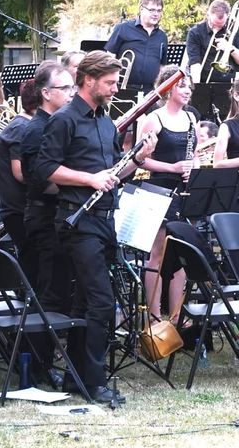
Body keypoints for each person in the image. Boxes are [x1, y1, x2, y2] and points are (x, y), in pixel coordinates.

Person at [38, 50, 157, 405]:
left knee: (84, 302)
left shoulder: (106, 122)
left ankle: (76, 377)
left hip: (105, 218)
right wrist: (89, 179)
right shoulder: (64, 120)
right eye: (109, 82)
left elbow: (112, 175)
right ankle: (93, 381)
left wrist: (136, 159)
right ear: (88, 81)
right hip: (76, 221)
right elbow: (45, 169)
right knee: (101, 302)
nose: (115, 87)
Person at [137, 65, 198, 318]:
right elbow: (139, 160)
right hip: (160, 190)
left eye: (189, 86)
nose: (188, 91)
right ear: (168, 88)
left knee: (183, 253)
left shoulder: (192, 118)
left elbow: (195, 154)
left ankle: (175, 316)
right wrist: (172, 167)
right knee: (157, 254)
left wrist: (191, 167)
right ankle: (154, 316)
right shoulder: (155, 118)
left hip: (184, 190)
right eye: (182, 86)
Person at [19, 62, 76, 327]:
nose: (71, 93)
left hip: (54, 217)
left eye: (72, 87)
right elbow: (39, 180)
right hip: (44, 218)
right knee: (47, 295)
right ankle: (36, 363)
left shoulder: (57, 123)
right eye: (64, 88)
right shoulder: (36, 130)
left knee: (59, 290)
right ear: (45, 93)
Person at [0, 80, 40, 277]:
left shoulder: (21, 125)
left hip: (19, 210)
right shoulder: (22, 127)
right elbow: (20, 173)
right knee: (33, 264)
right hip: (19, 211)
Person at [106, 0, 168, 90]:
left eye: (159, 11)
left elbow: (162, 66)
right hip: (123, 89)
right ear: (141, 9)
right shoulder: (123, 28)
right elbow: (109, 57)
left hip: (150, 91)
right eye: (152, 10)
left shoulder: (162, 36)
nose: (156, 14)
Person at [186, 0, 239, 84]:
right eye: (214, 24)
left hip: (228, 83)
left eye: (221, 25)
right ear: (208, 15)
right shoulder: (195, 32)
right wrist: (196, 87)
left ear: (227, 16)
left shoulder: (232, 29)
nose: (217, 28)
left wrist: (230, 48)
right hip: (204, 82)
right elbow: (195, 64)